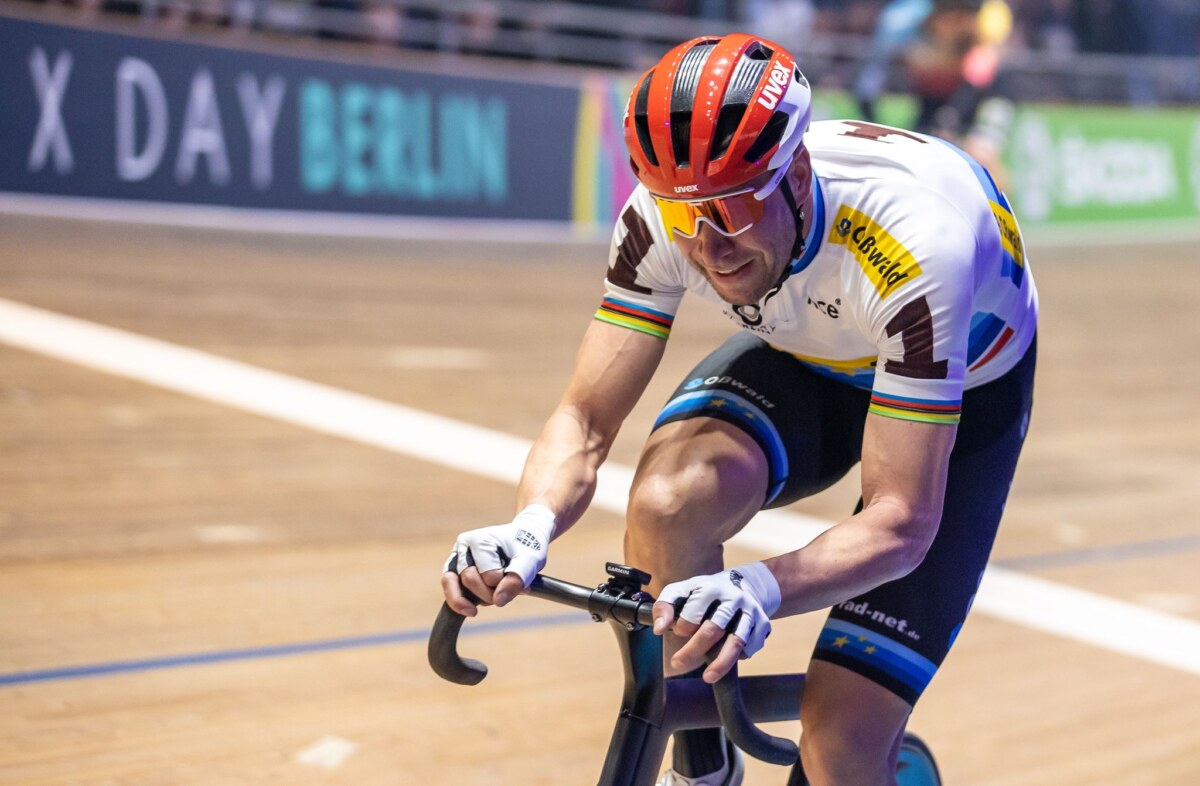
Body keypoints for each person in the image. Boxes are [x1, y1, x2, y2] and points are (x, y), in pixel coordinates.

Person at [441, 32, 1037, 786]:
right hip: (812, 355)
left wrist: (758, 587)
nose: (709, 247)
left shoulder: (917, 247)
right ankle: (705, 770)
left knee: (841, 743)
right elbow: (584, 422)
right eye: (685, 217)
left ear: (798, 175)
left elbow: (901, 521)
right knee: (666, 504)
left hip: (964, 389)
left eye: (732, 210)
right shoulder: (662, 216)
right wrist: (528, 525)